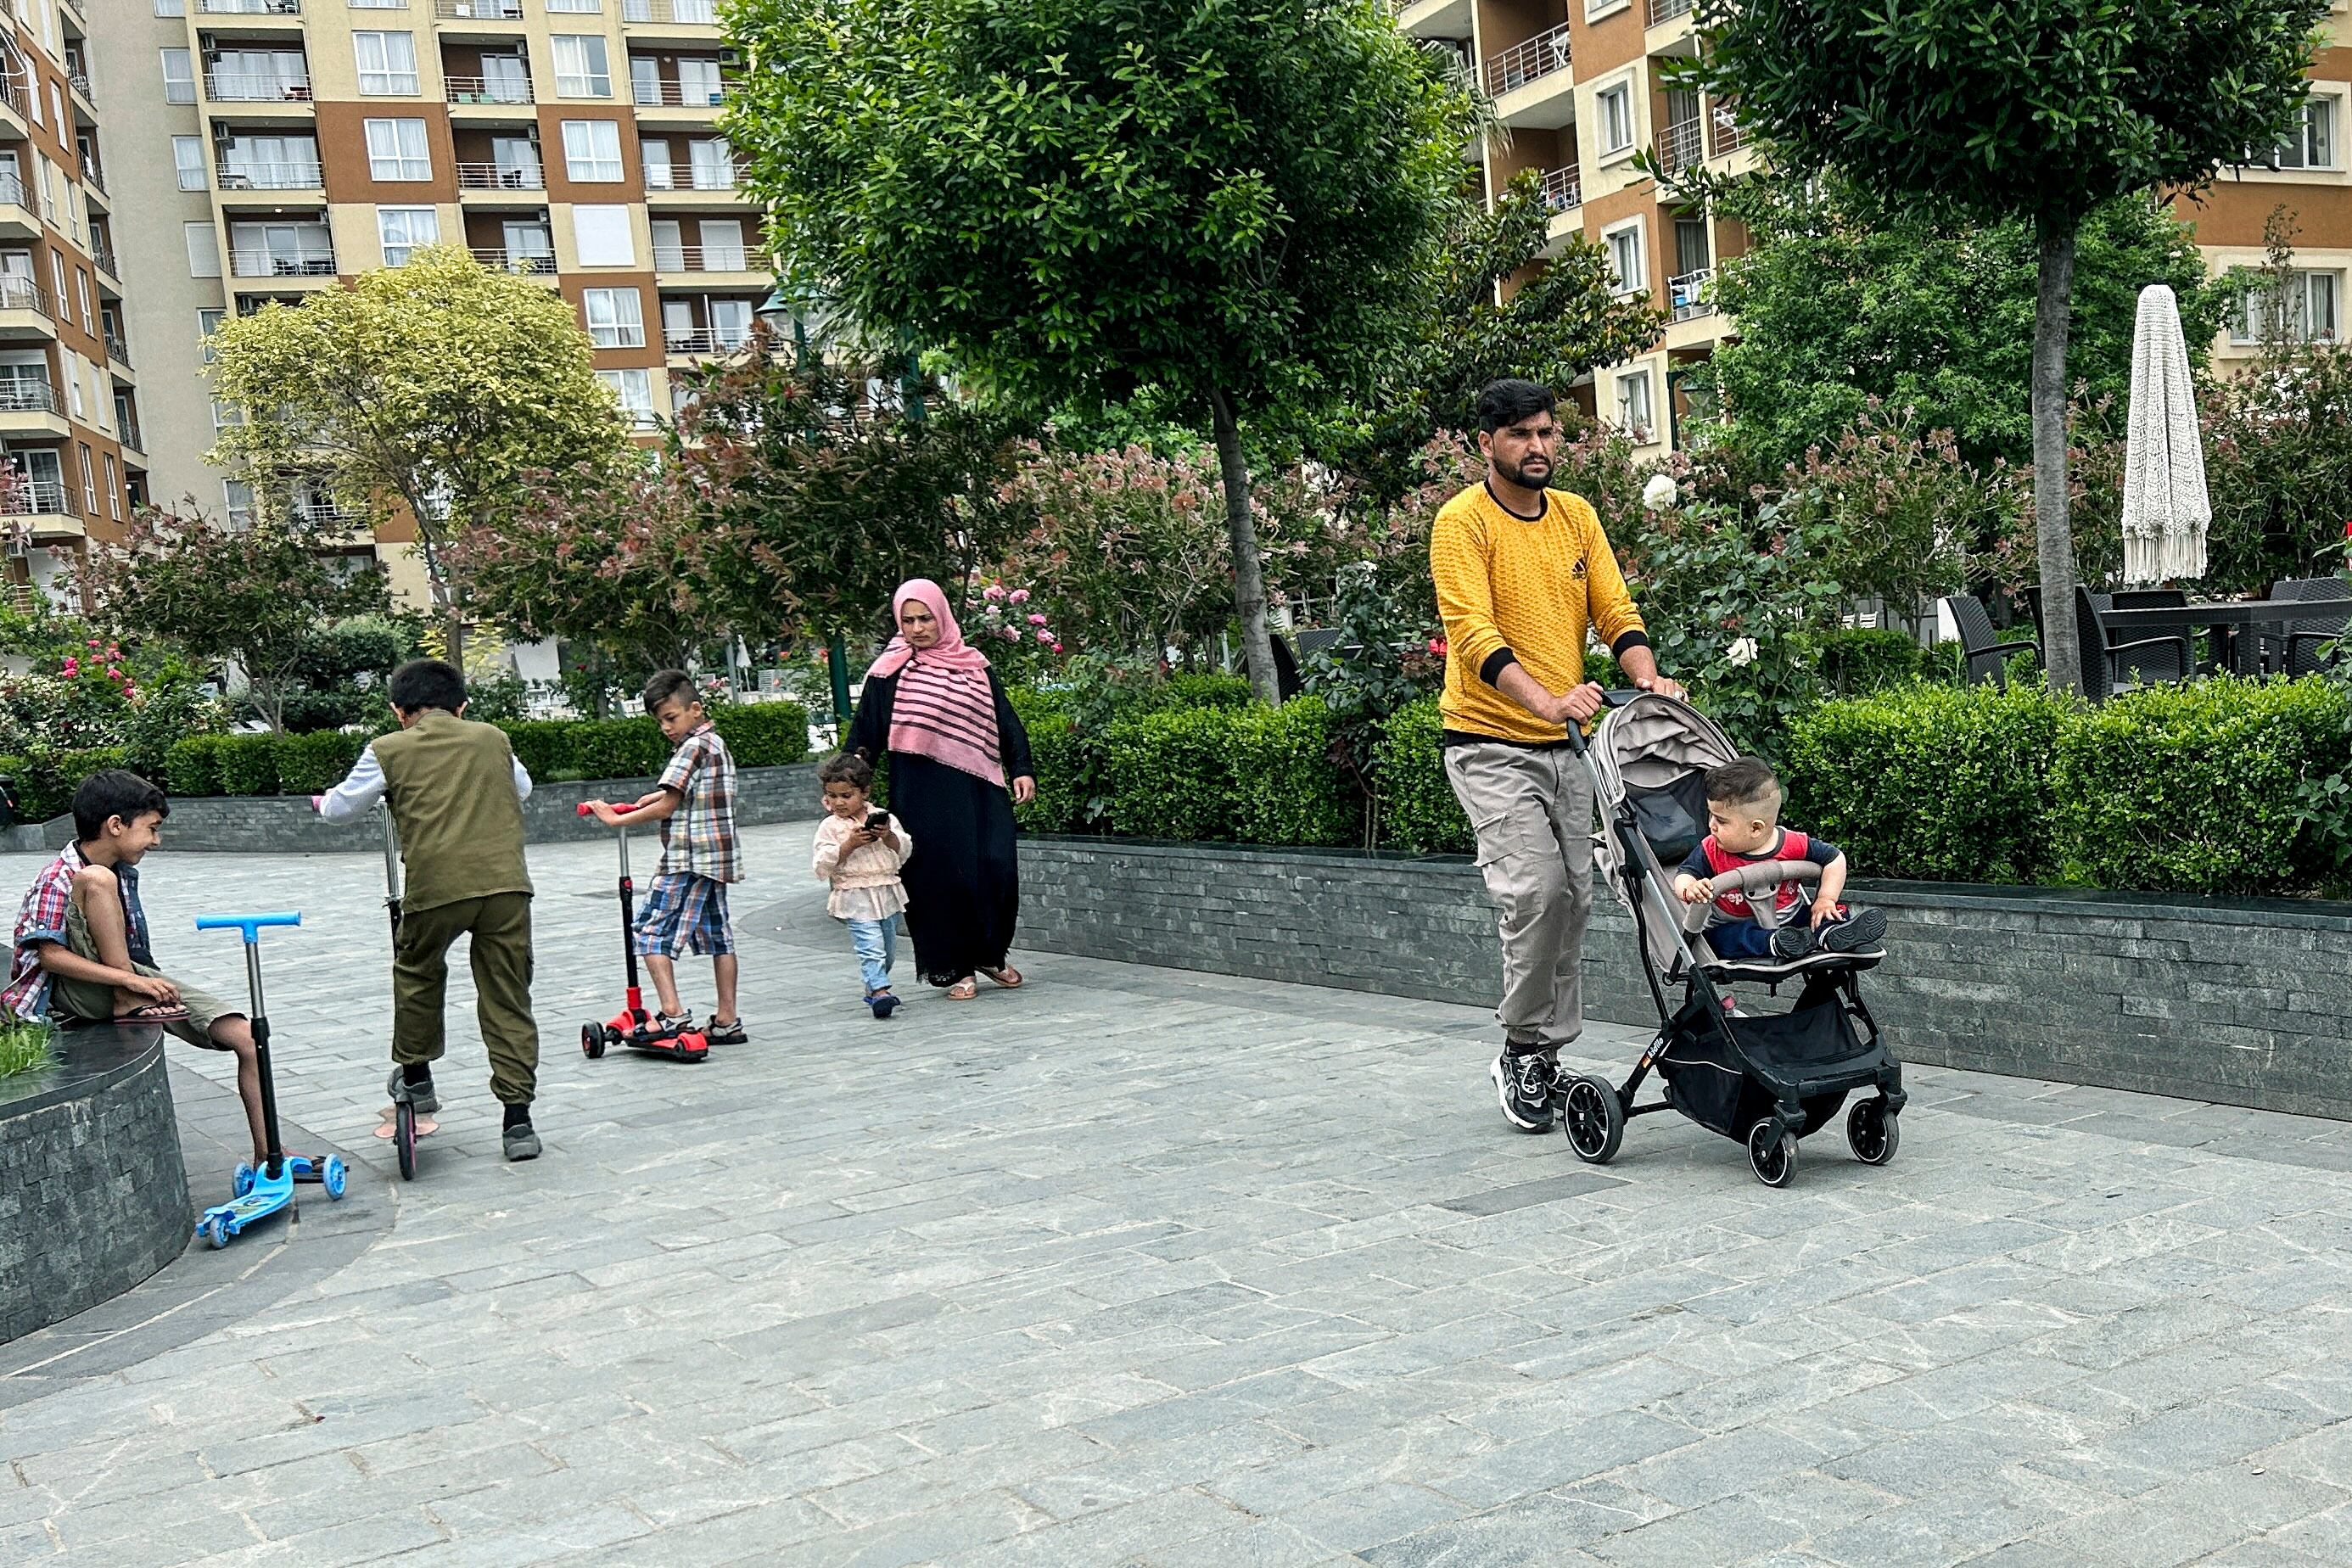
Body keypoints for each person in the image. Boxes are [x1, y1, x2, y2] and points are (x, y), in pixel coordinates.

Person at [1432, 378, 1686, 1135]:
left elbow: (1615, 611)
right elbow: (1472, 635)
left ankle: (1544, 1050)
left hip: (1572, 747)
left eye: (1548, 433)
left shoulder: (1575, 516)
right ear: (1488, 444)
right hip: (1488, 741)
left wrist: (1646, 676)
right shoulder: (1463, 524)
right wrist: (1548, 700)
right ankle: (1521, 1050)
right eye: (1522, 436)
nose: (1539, 447)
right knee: (1536, 891)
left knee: (1576, 895)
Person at [316, 658, 544, 1162]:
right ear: (461, 707)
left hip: (436, 888)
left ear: (400, 711)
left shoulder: (387, 750)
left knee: (417, 971)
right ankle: (517, 1120)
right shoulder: (493, 738)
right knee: (507, 995)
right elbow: (522, 789)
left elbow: (339, 809)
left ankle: (417, 1076)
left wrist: (326, 801)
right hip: (506, 887)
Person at [3, 770, 281, 1169]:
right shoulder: (62, 877)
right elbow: (48, 956)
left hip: (125, 978)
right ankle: (128, 998)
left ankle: (269, 1154)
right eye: (151, 829)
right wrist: (130, 982)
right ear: (115, 825)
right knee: (96, 879)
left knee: (248, 1038)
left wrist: (143, 978)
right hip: (64, 996)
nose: (156, 840)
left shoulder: (121, 874)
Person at [846, 580, 1037, 1000]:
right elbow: (865, 736)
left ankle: (990, 954)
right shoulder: (888, 673)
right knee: (939, 877)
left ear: (942, 616)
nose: (917, 628)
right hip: (921, 794)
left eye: (925, 618)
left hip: (980, 787)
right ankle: (956, 965)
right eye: (908, 620)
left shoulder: (975, 666)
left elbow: (1004, 719)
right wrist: (850, 791)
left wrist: (1020, 767)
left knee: (995, 867)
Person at [583, 669, 745, 1044]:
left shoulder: (691, 748)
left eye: (671, 718)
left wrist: (615, 817)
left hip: (688, 857)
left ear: (695, 709)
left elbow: (669, 804)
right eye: (660, 722)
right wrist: (652, 798)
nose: (666, 728)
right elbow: (694, 793)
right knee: (718, 936)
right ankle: (726, 1019)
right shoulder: (714, 744)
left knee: (649, 931)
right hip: (715, 858)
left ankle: (672, 1015)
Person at [1672, 757, 1889, 960]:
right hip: (1737, 924)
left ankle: (1831, 934)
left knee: (1829, 913)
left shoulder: (1793, 844)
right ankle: (1777, 942)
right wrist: (1689, 888)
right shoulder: (1711, 849)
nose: (1711, 825)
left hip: (1790, 919)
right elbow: (1685, 873)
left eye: (1721, 820)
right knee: (1721, 939)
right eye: (1711, 815)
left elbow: (1835, 859)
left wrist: (1825, 899)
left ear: (1756, 828)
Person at [810, 753, 913, 1019]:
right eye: (832, 796)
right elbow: (822, 864)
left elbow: (904, 849)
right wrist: (848, 845)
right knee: (870, 946)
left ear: (865, 792)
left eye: (846, 796)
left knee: (887, 950)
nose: (838, 803)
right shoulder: (829, 827)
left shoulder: (881, 817)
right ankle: (880, 992)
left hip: (886, 890)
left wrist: (887, 836)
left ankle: (874, 985)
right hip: (854, 894)